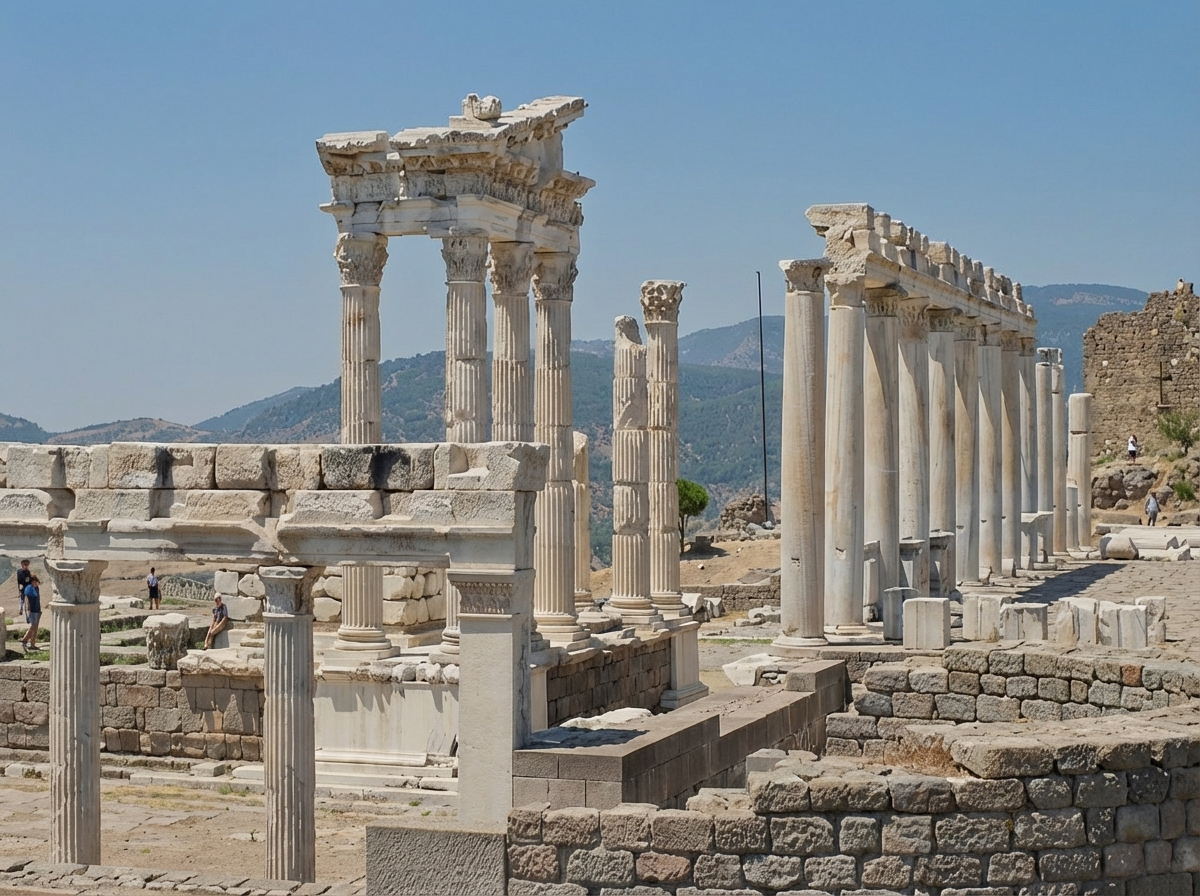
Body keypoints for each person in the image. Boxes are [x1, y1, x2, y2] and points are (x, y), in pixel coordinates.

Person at [21, 575, 41, 650]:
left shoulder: (36, 588)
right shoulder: (29, 588)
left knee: (35, 627)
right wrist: (27, 609)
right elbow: (27, 599)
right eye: (34, 581)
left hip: (37, 609)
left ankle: (32, 644)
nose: (35, 583)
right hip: (32, 610)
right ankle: (25, 639)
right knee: (33, 626)